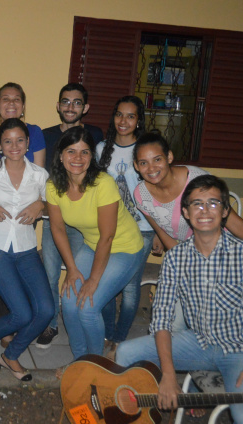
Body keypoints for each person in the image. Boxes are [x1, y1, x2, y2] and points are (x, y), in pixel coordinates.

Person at [116, 175, 243, 424]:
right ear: (185, 212)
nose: (205, 210)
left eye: (213, 203)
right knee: (125, 352)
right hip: (199, 342)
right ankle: (131, 417)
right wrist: (169, 374)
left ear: (225, 211)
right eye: (197, 204)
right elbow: (162, 317)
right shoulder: (176, 258)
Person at [133, 132, 243, 280]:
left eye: (157, 159)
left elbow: (234, 223)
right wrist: (184, 266)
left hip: (223, 251)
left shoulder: (197, 181)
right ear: (136, 166)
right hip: (191, 254)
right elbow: (162, 232)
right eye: (143, 162)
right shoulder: (141, 195)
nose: (151, 168)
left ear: (169, 157)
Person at [46, 127, 144, 366]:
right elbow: (57, 229)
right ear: (60, 155)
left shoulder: (103, 183)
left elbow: (108, 237)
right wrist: (72, 269)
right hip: (93, 245)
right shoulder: (53, 185)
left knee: (88, 307)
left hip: (125, 248)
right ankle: (80, 362)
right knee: (69, 302)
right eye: (71, 151)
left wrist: (93, 280)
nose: (77, 158)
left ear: (92, 157)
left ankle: (97, 364)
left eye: (84, 152)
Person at [0, 118, 53, 381]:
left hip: (27, 248)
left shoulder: (40, 175)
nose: (14, 146)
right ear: (0, 144)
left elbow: (56, 206)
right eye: (8, 141)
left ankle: (11, 354)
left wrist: (41, 205)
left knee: (45, 310)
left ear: (28, 143)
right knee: (22, 312)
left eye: (20, 140)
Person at [0, 82, 46, 350]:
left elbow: (40, 178)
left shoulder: (34, 133)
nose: (11, 103)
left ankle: (7, 329)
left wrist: (39, 203)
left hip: (23, 218)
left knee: (15, 280)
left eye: (17, 99)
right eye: (5, 99)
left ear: (23, 105)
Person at [37, 83, 104, 348]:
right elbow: (39, 174)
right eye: (65, 101)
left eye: (77, 103)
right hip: (53, 218)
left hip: (84, 221)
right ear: (58, 105)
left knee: (78, 274)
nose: (70, 107)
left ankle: (75, 321)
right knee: (50, 273)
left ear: (85, 108)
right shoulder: (45, 135)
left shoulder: (96, 134)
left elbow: (100, 173)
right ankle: (52, 323)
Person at [96, 96, 155, 358]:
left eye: (131, 116)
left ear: (138, 121)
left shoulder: (145, 150)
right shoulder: (100, 149)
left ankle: (119, 338)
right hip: (108, 229)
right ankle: (108, 333)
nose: (124, 121)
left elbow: (155, 193)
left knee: (131, 289)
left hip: (141, 229)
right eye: (120, 114)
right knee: (106, 285)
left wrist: (160, 233)